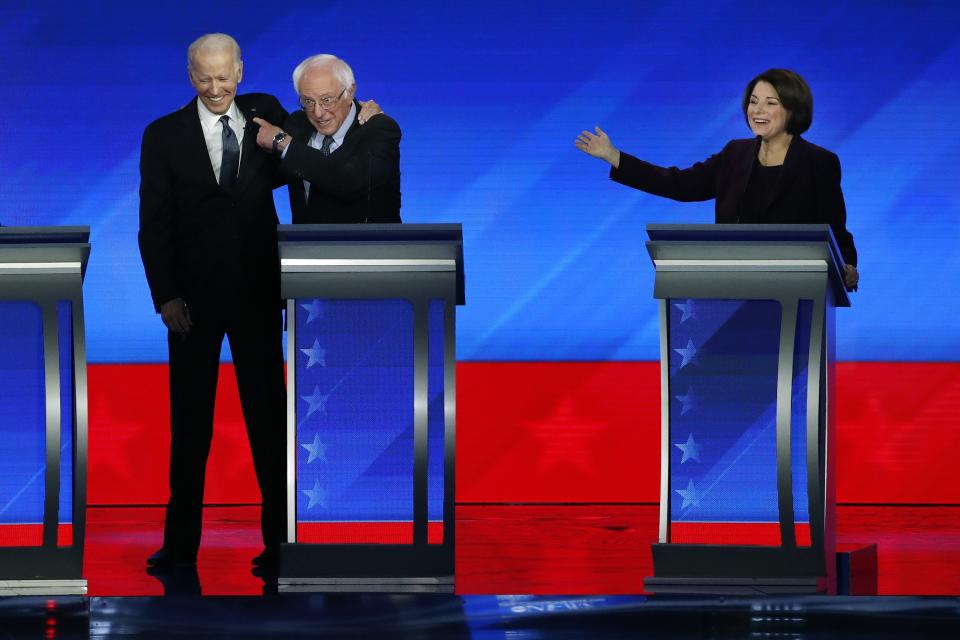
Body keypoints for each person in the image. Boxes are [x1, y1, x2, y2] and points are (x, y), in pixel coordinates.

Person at [576, 68, 859, 290]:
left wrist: (847, 264)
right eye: (753, 102)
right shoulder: (734, 154)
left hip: (798, 289)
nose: (757, 111)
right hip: (734, 284)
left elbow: (836, 228)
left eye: (770, 103)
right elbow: (680, 184)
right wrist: (615, 157)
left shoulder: (819, 162)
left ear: (792, 110)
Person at [252, 54, 402, 223]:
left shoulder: (379, 129)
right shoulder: (297, 124)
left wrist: (283, 142)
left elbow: (345, 181)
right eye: (308, 101)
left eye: (327, 100)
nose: (318, 113)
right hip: (304, 246)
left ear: (350, 91)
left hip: (366, 246)